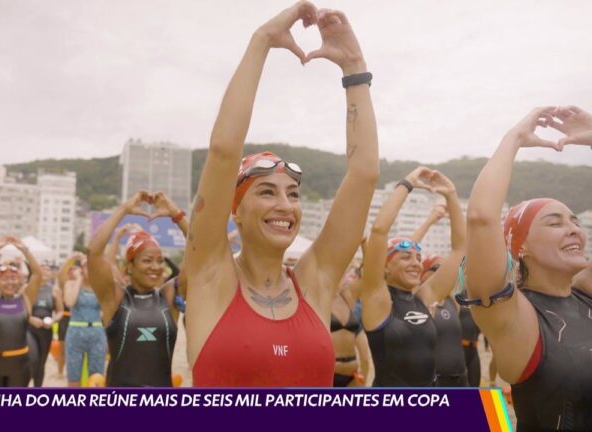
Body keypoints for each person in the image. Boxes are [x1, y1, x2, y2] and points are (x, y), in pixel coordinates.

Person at [187, 2, 378, 387]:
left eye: (293, 194)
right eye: (267, 192)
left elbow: (364, 175)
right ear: (235, 211)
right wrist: (262, 41)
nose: (285, 206)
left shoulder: (315, 281)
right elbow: (224, 150)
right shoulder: (211, 276)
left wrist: (354, 68)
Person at [463, 106, 592, 429]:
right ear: (520, 246)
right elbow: (481, 219)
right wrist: (513, 139)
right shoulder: (516, 318)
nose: (573, 230)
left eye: (574, 221)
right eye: (554, 223)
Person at [358, 167, 465, 387]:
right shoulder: (378, 300)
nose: (416, 263)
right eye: (406, 257)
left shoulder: (422, 298)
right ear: (385, 267)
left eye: (418, 258)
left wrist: (451, 195)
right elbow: (379, 230)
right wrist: (406, 184)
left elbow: (460, 250)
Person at [87, 191, 187, 386]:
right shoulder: (114, 298)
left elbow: (200, 253)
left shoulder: (168, 296)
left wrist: (177, 214)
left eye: (160, 261)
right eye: (147, 260)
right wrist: (123, 210)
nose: (156, 267)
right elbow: (93, 253)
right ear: (130, 266)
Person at [412, 204, 469, 387]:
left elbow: (461, 252)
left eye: (444, 268)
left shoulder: (453, 300)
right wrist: (430, 220)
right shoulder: (417, 299)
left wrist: (454, 214)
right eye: (436, 268)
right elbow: (406, 251)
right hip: (434, 382)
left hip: (461, 378)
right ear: (422, 273)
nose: (442, 273)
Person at [0, 237, 42, 387]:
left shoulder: (25, 299)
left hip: (19, 364)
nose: (10, 283)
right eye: (5, 279)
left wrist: (25, 251)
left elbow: (37, 275)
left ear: (20, 281)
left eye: (14, 279)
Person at [60, 254, 107, 387]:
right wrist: (79, 279)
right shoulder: (71, 284)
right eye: (86, 266)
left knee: (97, 376)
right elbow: (69, 302)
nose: (89, 270)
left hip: (96, 332)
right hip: (75, 332)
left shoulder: (100, 286)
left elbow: (107, 310)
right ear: (81, 268)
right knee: (74, 375)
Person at [27, 261, 63, 387]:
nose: (45, 271)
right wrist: (31, 319)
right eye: (42, 268)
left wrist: (53, 321)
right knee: (31, 359)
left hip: (45, 330)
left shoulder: (54, 290)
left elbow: (60, 312)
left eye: (47, 269)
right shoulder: (29, 288)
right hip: (30, 329)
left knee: (41, 362)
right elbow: (22, 310)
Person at [331, 269, 366, 387]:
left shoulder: (347, 297)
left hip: (353, 374)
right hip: (328, 372)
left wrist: (364, 376)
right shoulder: (318, 298)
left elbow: (369, 278)